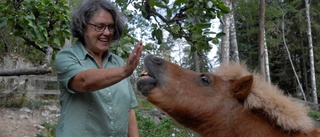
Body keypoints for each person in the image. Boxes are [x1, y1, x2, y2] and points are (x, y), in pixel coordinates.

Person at [54, 0, 142, 136]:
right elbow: (83, 82)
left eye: (111, 27)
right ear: (83, 27)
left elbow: (129, 109)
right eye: (99, 26)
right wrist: (124, 71)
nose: (106, 33)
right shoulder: (66, 57)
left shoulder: (118, 62)